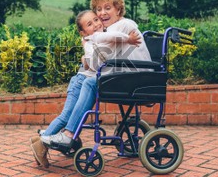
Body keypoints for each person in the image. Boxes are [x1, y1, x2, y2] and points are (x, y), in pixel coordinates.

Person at [39, 0, 152, 152]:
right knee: (88, 80)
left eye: (108, 8)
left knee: (91, 83)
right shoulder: (113, 28)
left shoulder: (122, 26)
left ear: (118, 9)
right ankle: (64, 132)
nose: (102, 13)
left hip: (136, 79)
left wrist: (86, 47)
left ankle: (69, 134)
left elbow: (96, 63)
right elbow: (101, 60)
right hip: (130, 76)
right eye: (99, 9)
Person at [30, 9, 141, 167]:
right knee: (66, 117)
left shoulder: (98, 38)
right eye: (90, 24)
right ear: (83, 32)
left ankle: (41, 139)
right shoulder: (90, 41)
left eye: (96, 20)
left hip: (82, 79)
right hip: (81, 80)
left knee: (67, 116)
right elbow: (91, 62)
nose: (96, 24)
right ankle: (41, 144)